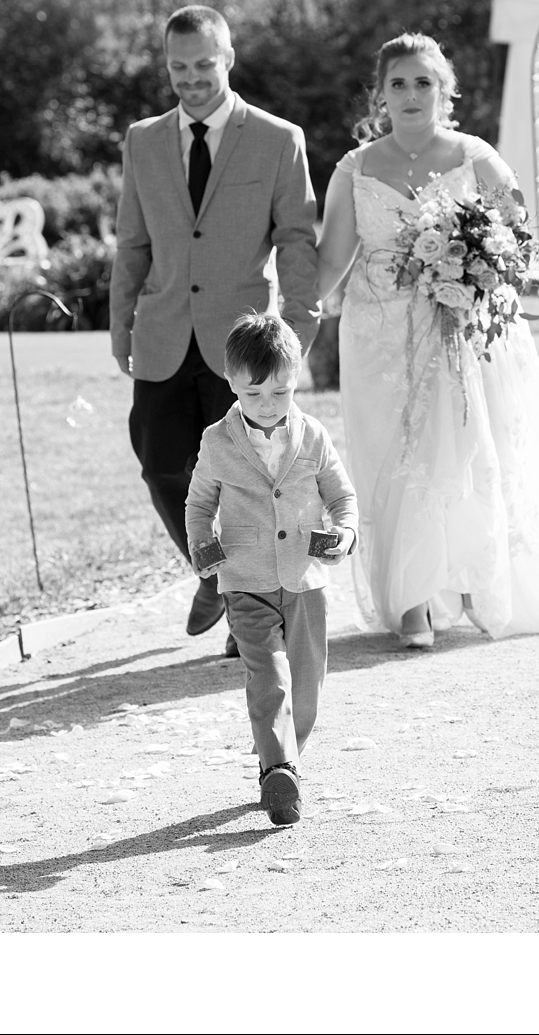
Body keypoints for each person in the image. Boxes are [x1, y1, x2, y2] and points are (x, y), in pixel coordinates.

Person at [315, 33, 539, 648]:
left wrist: (469, 266)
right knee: (393, 457)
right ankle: (412, 601)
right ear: (380, 94)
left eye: (424, 82)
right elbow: (333, 257)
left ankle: (474, 583)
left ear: (445, 91)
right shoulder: (354, 169)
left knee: (464, 453)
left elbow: (518, 247)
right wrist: (290, 312)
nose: (411, 95)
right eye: (398, 83)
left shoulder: (478, 159)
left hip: (464, 331)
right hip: (379, 337)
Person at [109, 5, 321, 646]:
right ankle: (212, 573)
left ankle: (252, 612)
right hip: (164, 333)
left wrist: (297, 332)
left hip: (246, 340)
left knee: (255, 479)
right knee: (159, 463)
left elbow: (296, 241)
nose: (192, 78)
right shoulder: (143, 139)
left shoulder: (278, 137)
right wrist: (121, 325)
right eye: (179, 67)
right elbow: (132, 243)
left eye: (205, 64)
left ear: (228, 60)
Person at [183, 313, 356, 827]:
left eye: (279, 393)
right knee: (270, 677)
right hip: (246, 582)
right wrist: (202, 544)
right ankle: (279, 769)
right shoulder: (216, 442)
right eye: (253, 394)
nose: (267, 405)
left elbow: (341, 496)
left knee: (306, 687)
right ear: (231, 382)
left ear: (296, 378)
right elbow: (198, 505)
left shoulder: (315, 436)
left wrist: (344, 533)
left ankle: (282, 760)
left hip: (305, 580)